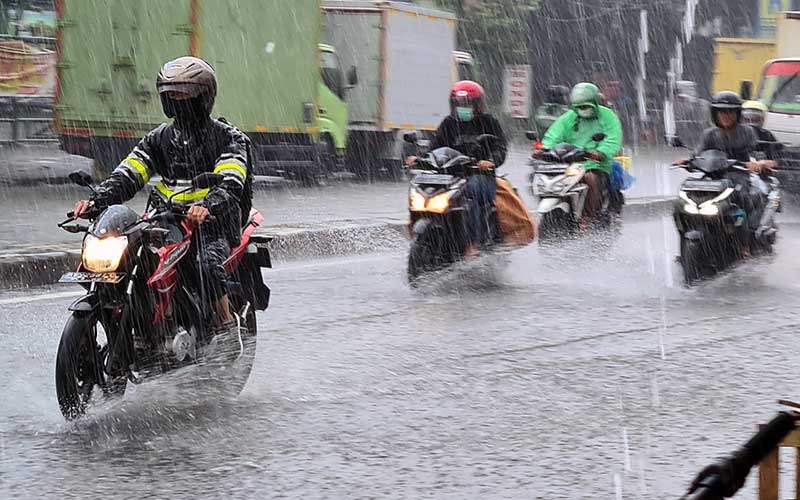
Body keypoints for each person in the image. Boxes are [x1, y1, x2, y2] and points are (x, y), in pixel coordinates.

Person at [72, 56, 252, 339]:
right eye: (170, 95)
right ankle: (148, 324)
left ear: (202, 97)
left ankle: (226, 323)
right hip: (165, 220)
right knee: (129, 256)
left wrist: (206, 206)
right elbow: (130, 172)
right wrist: (98, 200)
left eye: (183, 94)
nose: (176, 100)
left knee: (205, 265)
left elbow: (231, 182)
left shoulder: (228, 138)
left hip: (213, 223)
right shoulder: (160, 138)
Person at [406, 80, 507, 257]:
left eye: (468, 103)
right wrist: (419, 159)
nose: (463, 107)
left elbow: (500, 148)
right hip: (450, 175)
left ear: (477, 104)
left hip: (478, 175)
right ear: (453, 105)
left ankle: (472, 243)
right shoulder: (448, 123)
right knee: (422, 191)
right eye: (459, 104)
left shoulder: (489, 122)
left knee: (470, 195)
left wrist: (490, 161)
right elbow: (434, 147)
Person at [685, 91, 773, 254]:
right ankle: (686, 242)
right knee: (686, 201)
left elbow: (757, 152)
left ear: (737, 114)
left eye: (729, 112)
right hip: (713, 178)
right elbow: (698, 153)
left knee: (740, 200)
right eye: (721, 112)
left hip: (739, 175)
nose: (725, 116)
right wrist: (688, 162)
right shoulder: (709, 134)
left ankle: (744, 245)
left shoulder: (747, 132)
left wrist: (757, 162)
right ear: (714, 114)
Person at [539, 82, 623, 227]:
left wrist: (600, 152)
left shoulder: (608, 116)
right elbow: (554, 134)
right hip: (569, 163)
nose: (583, 110)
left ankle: (588, 216)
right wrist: (544, 149)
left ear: (595, 103)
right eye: (579, 107)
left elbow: (613, 138)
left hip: (595, 164)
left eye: (586, 106)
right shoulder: (569, 117)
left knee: (590, 178)